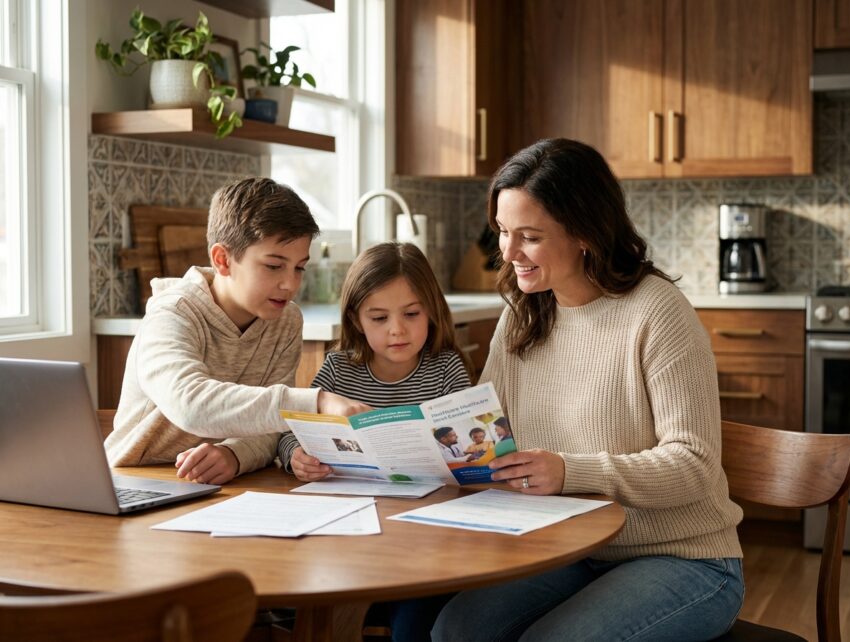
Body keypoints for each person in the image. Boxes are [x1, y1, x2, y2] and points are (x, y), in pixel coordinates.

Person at [431, 139, 744, 642]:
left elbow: (694, 465)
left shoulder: (656, 312)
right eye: (503, 233)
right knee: (456, 631)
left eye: (529, 237)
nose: (508, 255)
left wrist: (570, 470)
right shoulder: (520, 314)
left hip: (682, 558)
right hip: (566, 548)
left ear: (584, 234)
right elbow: (488, 432)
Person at [105, 177, 369, 485]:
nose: (291, 284)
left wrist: (234, 455)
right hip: (136, 477)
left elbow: (271, 427)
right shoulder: (172, 314)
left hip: (219, 485)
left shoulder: (286, 320)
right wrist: (316, 402)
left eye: (299, 267)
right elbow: (190, 405)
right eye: (274, 266)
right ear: (223, 260)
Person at [277, 241, 471, 642]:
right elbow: (287, 433)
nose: (396, 329)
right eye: (379, 317)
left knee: (415, 621)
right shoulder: (337, 371)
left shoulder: (447, 370)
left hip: (426, 540)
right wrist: (295, 455)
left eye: (411, 314)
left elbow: (471, 453)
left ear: (431, 309)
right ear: (357, 318)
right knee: (320, 602)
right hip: (351, 535)